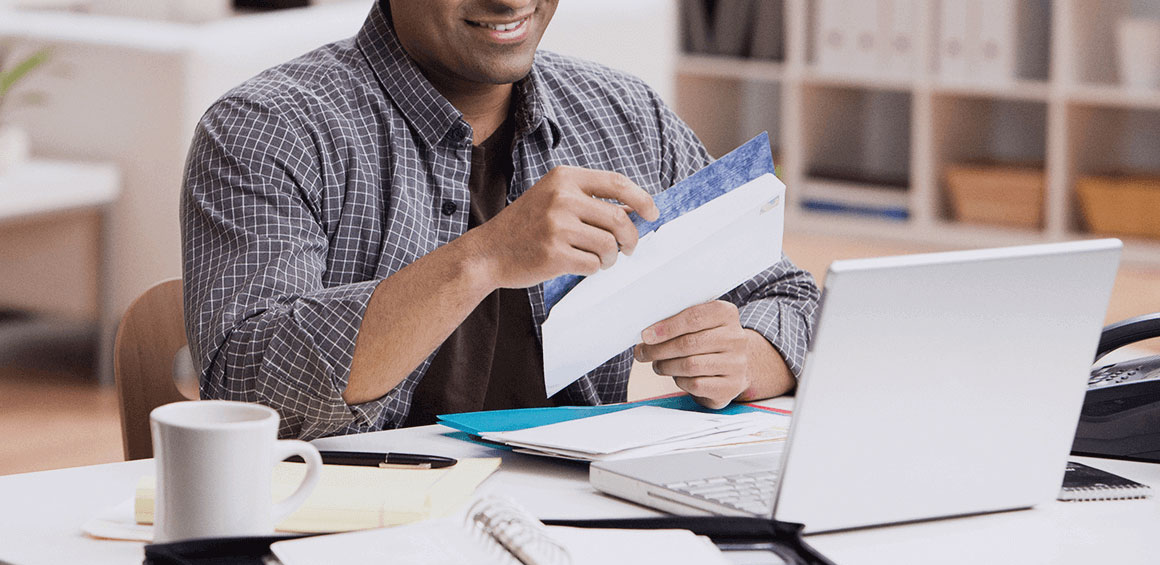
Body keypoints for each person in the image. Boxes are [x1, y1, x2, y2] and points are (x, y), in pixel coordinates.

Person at [181, 0, 820, 440]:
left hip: (584, 527)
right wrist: (485, 257)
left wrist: (744, 357)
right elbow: (247, 387)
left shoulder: (626, 117)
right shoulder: (264, 130)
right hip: (351, 535)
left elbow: (792, 298)